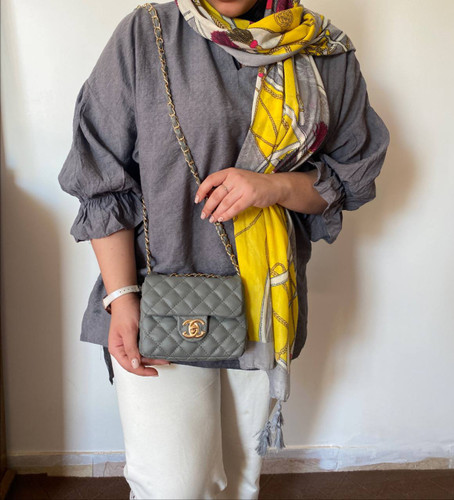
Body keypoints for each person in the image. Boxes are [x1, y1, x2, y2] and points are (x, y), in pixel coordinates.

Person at [58, 0, 390, 497]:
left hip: (265, 303)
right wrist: (121, 298)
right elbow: (100, 176)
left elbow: (350, 177)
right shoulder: (147, 35)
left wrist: (274, 186)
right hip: (158, 300)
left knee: (240, 482)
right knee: (172, 486)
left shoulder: (323, 50)